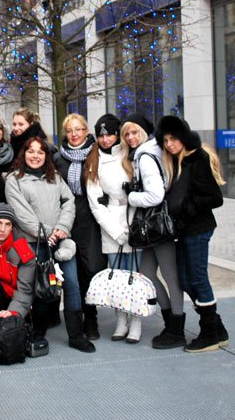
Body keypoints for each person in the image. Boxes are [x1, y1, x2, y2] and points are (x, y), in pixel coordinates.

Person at [5, 137, 95, 353]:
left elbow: (68, 202)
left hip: (62, 240)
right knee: (42, 287)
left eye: (40, 152)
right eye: (31, 151)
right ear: (23, 154)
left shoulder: (55, 177)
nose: (35, 155)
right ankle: (38, 332)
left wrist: (62, 227)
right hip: (35, 243)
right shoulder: (14, 180)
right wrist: (47, 233)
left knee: (72, 284)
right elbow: (22, 215)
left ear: (46, 155)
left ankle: (76, 335)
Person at [156, 116, 229, 352]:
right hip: (184, 230)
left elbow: (214, 198)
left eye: (173, 139)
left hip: (198, 229)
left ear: (183, 137)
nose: (169, 144)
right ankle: (217, 327)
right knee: (185, 280)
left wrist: (186, 208)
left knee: (197, 279)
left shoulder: (198, 159)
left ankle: (209, 334)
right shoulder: (178, 162)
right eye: (165, 140)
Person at [121, 113, 185, 347]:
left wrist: (131, 196)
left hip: (157, 225)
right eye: (126, 133)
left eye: (134, 132)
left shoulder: (146, 156)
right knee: (146, 275)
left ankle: (176, 328)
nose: (130, 137)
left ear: (145, 132)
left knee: (170, 276)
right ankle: (170, 322)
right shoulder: (149, 152)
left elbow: (156, 194)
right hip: (154, 226)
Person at [85, 114, 140, 341]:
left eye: (109, 134)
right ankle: (120, 321)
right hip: (110, 225)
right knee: (116, 277)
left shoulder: (131, 155)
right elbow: (94, 201)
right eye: (101, 135)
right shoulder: (94, 159)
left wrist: (132, 226)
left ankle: (136, 321)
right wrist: (115, 231)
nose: (105, 139)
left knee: (135, 276)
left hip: (134, 220)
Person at [53, 114, 107, 340]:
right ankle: (75, 315)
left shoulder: (97, 154)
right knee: (69, 270)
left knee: (91, 267)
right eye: (69, 130)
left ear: (86, 131)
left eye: (79, 129)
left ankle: (91, 318)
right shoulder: (57, 158)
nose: (74, 134)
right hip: (67, 217)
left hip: (90, 217)